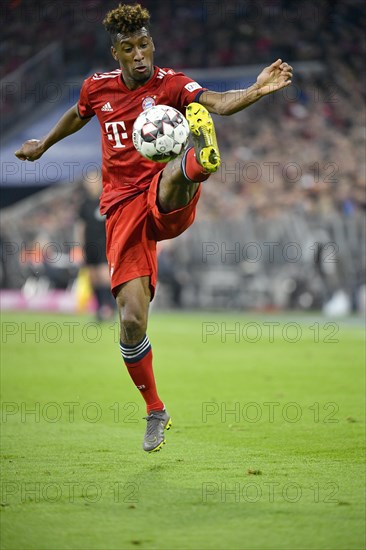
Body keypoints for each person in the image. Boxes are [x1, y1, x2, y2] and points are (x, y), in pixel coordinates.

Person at [15, 3, 293, 453]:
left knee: (172, 176)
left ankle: (199, 160)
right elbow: (78, 113)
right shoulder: (97, 89)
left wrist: (257, 90)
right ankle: (155, 409)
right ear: (116, 53)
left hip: (163, 190)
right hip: (122, 210)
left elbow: (219, 103)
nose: (139, 54)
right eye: (129, 48)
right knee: (130, 322)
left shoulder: (173, 84)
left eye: (145, 45)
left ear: (153, 45)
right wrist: (43, 145)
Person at [77, 170, 116, 321]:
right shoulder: (84, 204)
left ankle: (110, 308)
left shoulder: (105, 200)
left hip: (104, 245)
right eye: (88, 181)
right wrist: (80, 245)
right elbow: (81, 226)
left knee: (104, 276)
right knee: (93, 277)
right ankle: (100, 308)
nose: (90, 184)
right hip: (89, 245)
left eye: (93, 180)